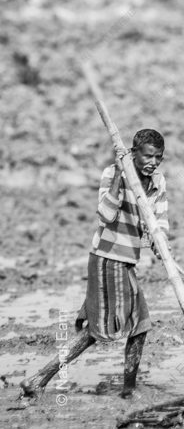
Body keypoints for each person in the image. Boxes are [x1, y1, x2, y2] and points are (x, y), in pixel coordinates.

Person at [21, 128, 169, 400]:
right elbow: (105, 215)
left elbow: (158, 222)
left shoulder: (158, 181)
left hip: (127, 261)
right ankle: (42, 378)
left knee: (138, 326)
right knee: (117, 328)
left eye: (158, 157)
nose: (153, 162)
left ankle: (125, 389)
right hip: (107, 257)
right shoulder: (111, 174)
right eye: (148, 156)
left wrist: (161, 244)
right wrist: (122, 176)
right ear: (134, 153)